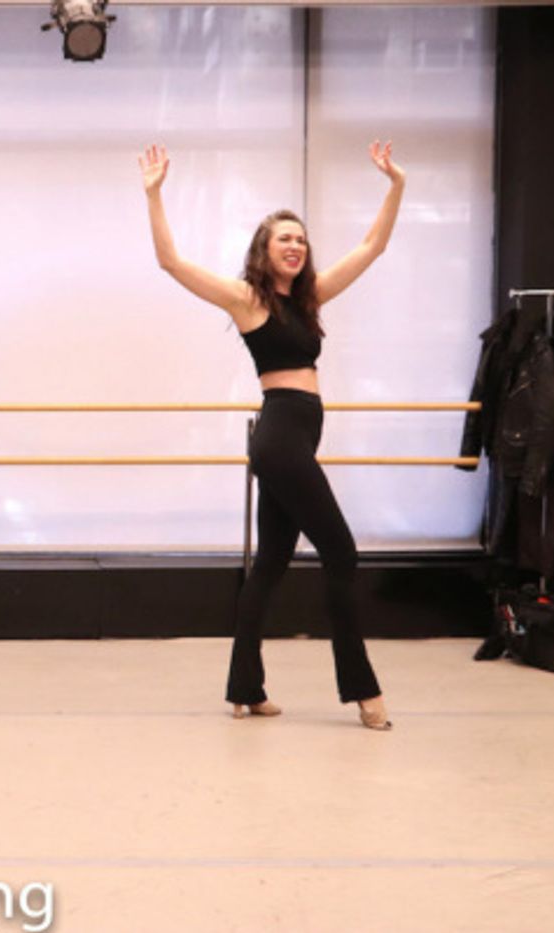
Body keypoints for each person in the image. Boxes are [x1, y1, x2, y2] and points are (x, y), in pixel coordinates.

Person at [139, 141, 405, 730]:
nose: (295, 245)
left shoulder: (308, 298)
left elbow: (372, 246)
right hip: (280, 437)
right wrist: (155, 195)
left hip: (293, 439)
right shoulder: (248, 300)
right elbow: (171, 263)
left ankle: (245, 689)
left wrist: (395, 187)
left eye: (301, 239)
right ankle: (363, 691)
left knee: (272, 563)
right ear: (264, 250)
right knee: (341, 551)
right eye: (284, 238)